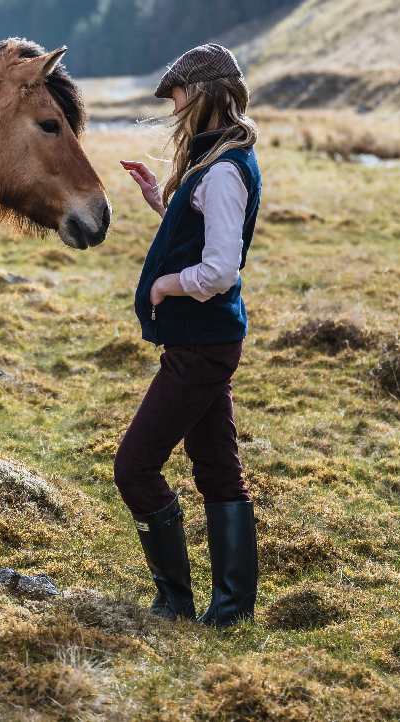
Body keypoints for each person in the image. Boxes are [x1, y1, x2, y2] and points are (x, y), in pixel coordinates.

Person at [115, 42, 261, 625]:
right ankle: (229, 610)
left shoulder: (223, 170)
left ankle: (176, 601)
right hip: (204, 342)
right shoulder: (216, 161)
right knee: (216, 466)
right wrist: (163, 204)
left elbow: (220, 269)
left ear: (203, 95)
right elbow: (203, 235)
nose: (174, 110)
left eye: (178, 98)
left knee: (135, 467)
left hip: (201, 345)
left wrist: (165, 286)